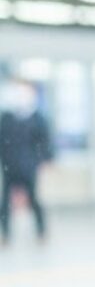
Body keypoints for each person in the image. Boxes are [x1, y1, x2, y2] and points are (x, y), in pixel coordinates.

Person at [0, 80, 53, 244]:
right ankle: (5, 234)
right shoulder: (6, 118)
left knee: (34, 197)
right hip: (10, 164)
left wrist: (45, 160)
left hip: (29, 165)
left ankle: (41, 231)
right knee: (5, 200)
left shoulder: (38, 118)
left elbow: (45, 142)